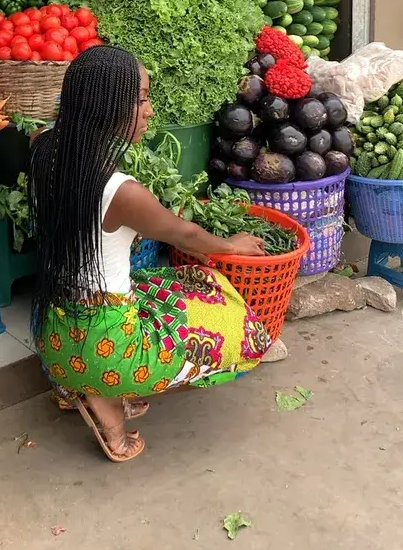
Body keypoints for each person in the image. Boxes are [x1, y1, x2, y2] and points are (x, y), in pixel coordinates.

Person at [29, 45, 271, 464]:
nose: (150, 110)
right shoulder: (120, 191)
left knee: (170, 285)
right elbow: (185, 235)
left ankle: (85, 380)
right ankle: (104, 397)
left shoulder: (43, 146)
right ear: (108, 106)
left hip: (52, 327)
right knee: (232, 319)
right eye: (141, 98)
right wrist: (233, 245)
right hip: (107, 346)